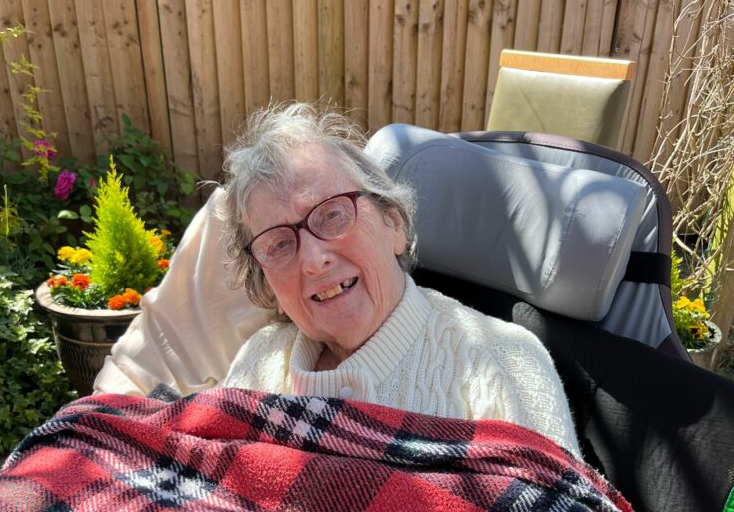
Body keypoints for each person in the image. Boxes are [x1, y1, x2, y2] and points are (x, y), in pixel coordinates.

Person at [96, 103, 580, 457]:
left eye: (332, 215)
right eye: (278, 244)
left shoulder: (504, 363)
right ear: (269, 286)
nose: (313, 260)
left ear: (394, 224)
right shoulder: (260, 361)